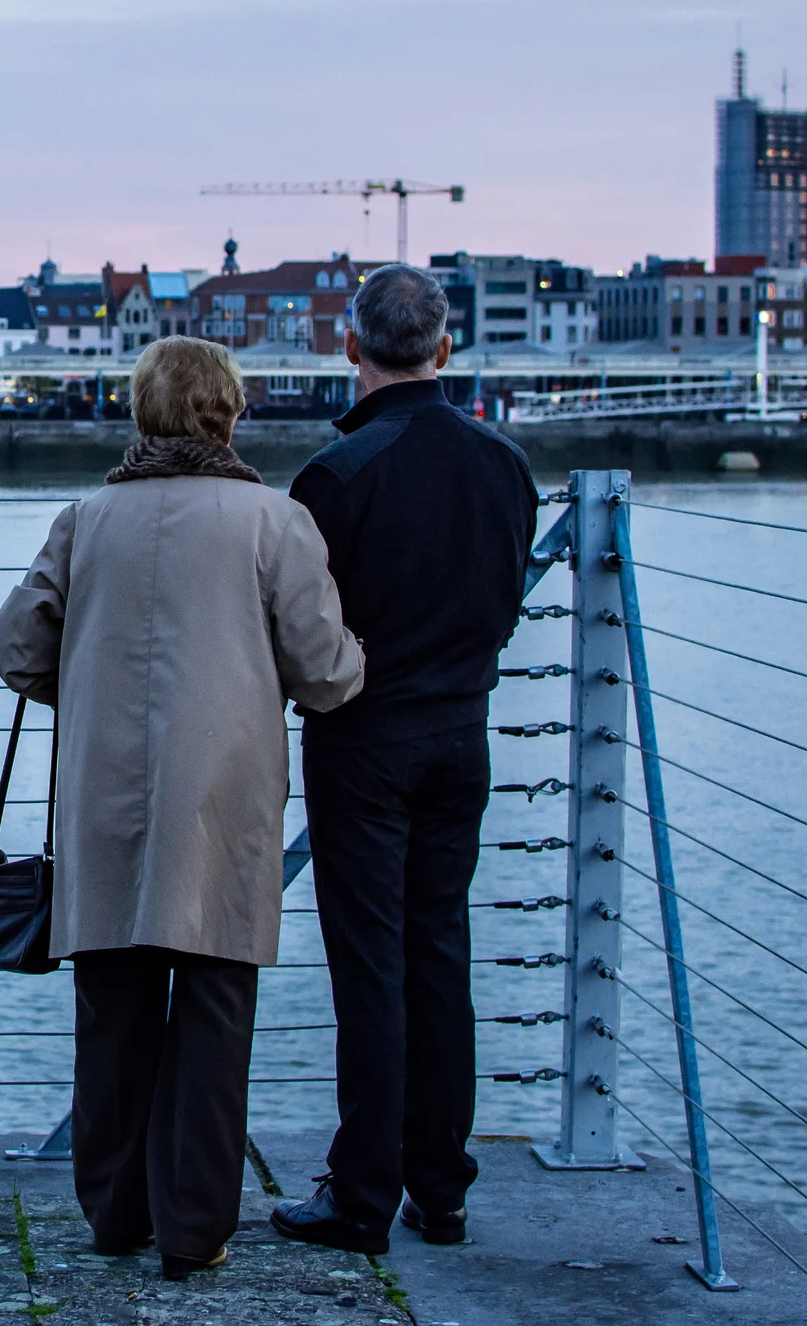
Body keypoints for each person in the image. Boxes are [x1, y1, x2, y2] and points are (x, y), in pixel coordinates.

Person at [0, 337, 364, 1278]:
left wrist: (85, 676)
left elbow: (15, 646)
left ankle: (115, 1214)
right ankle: (196, 1228)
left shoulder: (86, 519)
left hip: (103, 797)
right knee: (214, 1007)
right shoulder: (274, 523)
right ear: (229, 414)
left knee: (112, 1009)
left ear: (141, 415)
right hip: (224, 797)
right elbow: (323, 672)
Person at [269, 265, 537, 1256]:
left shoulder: (334, 479)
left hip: (363, 740)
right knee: (439, 954)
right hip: (462, 732)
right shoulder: (505, 467)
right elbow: (504, 600)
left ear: (349, 347)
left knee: (369, 964)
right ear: (444, 348)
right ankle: (443, 1183)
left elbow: (302, 634)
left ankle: (361, 1192)